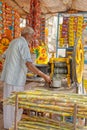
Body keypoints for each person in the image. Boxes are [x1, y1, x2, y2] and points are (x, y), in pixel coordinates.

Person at [1, 27, 51, 129]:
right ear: (27, 35)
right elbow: (29, 64)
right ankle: (14, 126)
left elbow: (3, 56)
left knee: (8, 104)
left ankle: (8, 126)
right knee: (15, 104)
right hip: (16, 79)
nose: (32, 38)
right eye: (32, 36)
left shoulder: (14, 42)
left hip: (8, 78)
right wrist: (44, 75)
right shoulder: (23, 44)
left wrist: (12, 65)